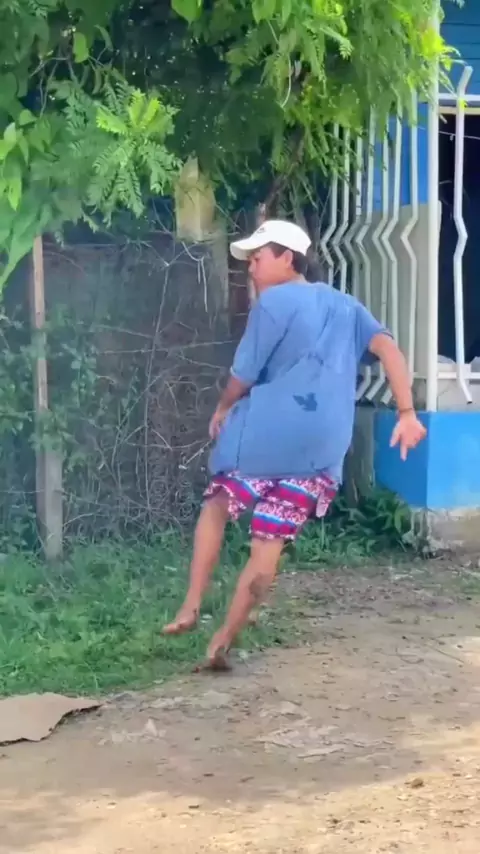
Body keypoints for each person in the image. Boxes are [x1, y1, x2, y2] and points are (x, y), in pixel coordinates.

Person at [163, 220, 427, 668]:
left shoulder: (272, 303)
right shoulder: (347, 305)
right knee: (269, 543)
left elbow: (243, 375)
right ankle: (222, 641)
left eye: (257, 257)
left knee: (218, 504)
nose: (250, 267)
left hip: (264, 436)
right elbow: (390, 351)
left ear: (288, 258)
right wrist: (406, 412)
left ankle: (190, 606)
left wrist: (223, 408)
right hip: (321, 451)